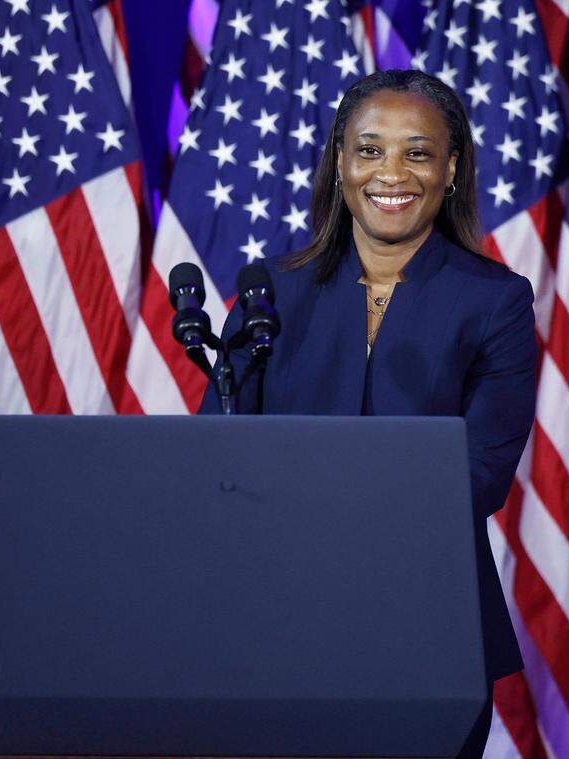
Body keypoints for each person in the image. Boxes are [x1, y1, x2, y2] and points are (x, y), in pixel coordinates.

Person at [200, 69, 536, 757]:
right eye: (369, 148)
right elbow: (217, 463)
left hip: (431, 626)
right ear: (340, 162)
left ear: (451, 168)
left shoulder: (497, 302)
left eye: (417, 151)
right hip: (278, 626)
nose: (392, 172)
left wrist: (305, 495)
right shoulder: (271, 295)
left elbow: (480, 474)